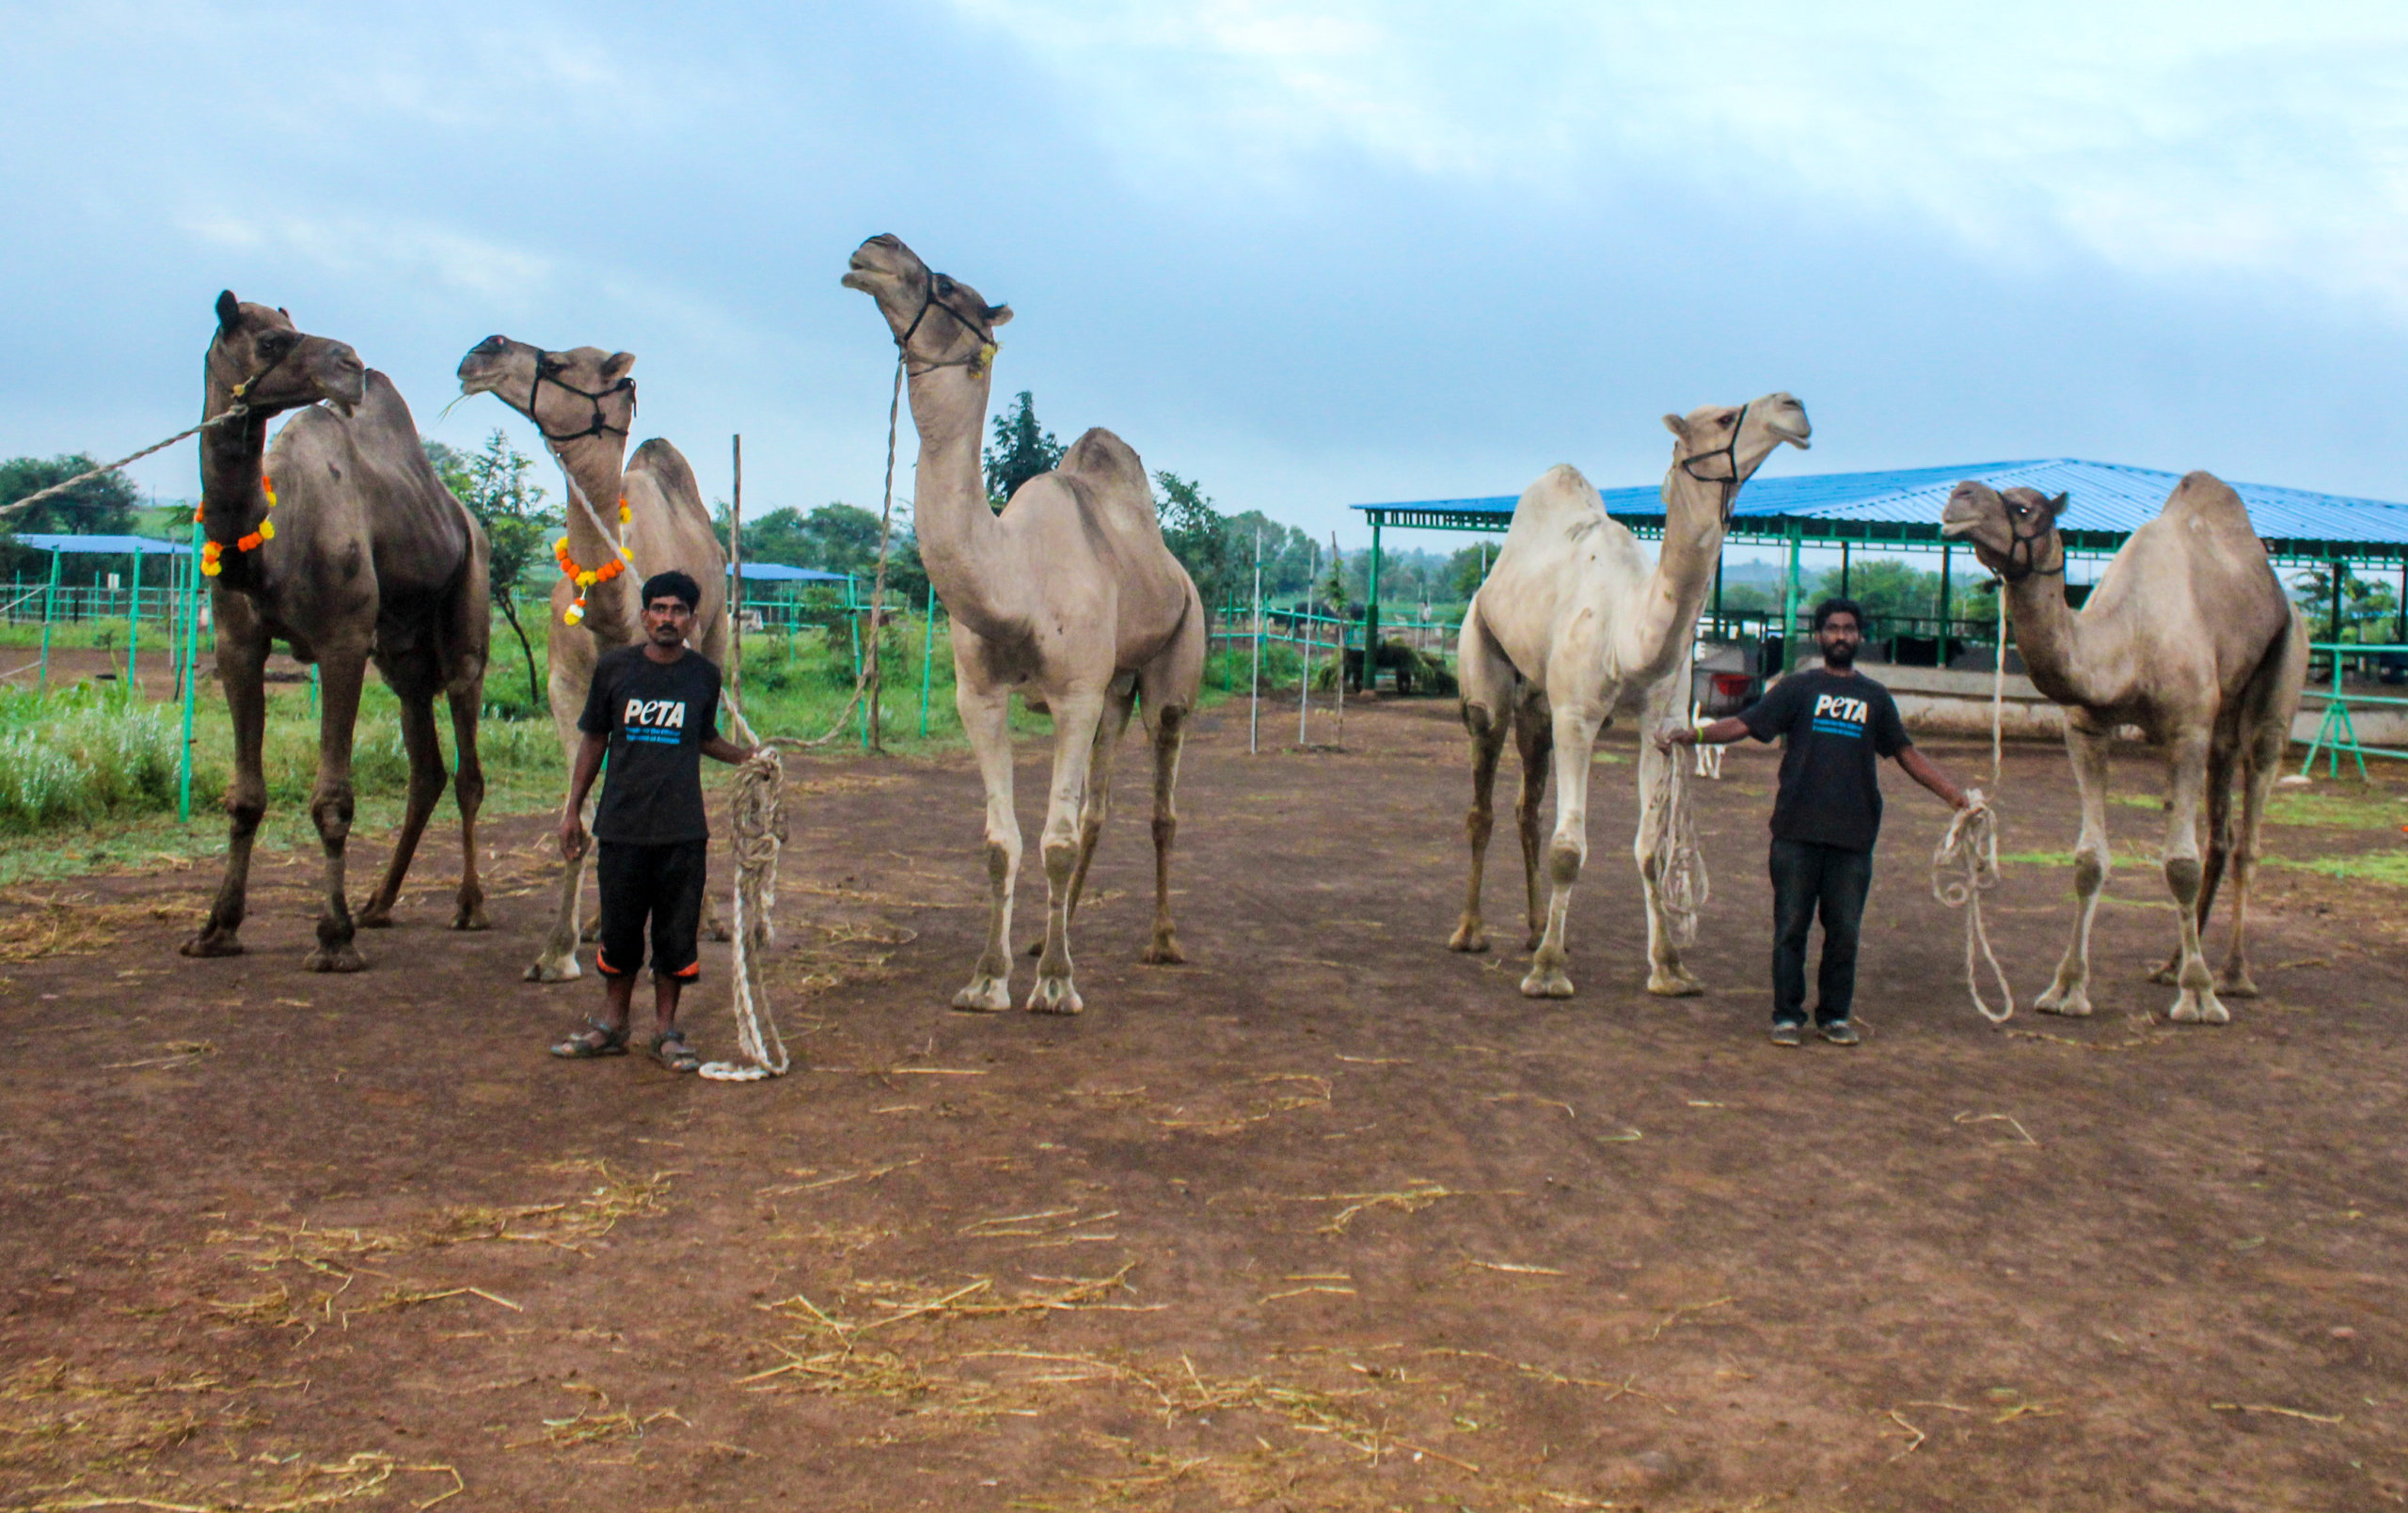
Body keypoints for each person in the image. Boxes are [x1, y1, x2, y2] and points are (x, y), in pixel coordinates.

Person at [1658, 597, 1975, 1048]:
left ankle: (1834, 1016)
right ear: (1820, 636)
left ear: (1860, 637)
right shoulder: (1797, 689)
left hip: (1853, 835)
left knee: (1844, 933)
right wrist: (1693, 736)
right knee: (1790, 928)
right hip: (1796, 831)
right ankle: (1787, 1016)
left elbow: (1905, 753)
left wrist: (1955, 797)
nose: (1841, 636)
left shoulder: (1875, 698)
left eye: (1849, 629)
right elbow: (1747, 724)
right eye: (1832, 628)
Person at [549, 570, 755, 1071]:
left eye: (678, 610)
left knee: (674, 935)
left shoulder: (702, 676)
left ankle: (666, 1032)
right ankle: (612, 1026)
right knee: (619, 932)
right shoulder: (615, 670)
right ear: (644, 616)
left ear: (692, 619)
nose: (667, 618)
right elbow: (594, 739)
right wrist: (572, 809)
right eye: (659, 609)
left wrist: (749, 757)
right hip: (621, 828)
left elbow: (703, 737)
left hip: (682, 831)